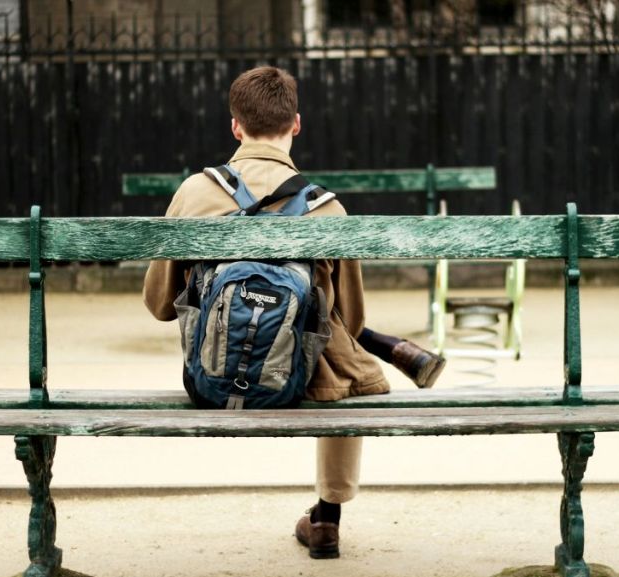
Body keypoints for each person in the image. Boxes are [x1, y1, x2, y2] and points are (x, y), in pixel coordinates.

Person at [143, 66, 445, 559]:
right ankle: (328, 516)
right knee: (349, 360)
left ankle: (326, 514)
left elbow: (159, 305)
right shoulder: (327, 208)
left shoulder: (194, 192)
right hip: (300, 380)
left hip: (210, 378)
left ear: (235, 127)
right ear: (297, 125)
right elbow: (353, 316)